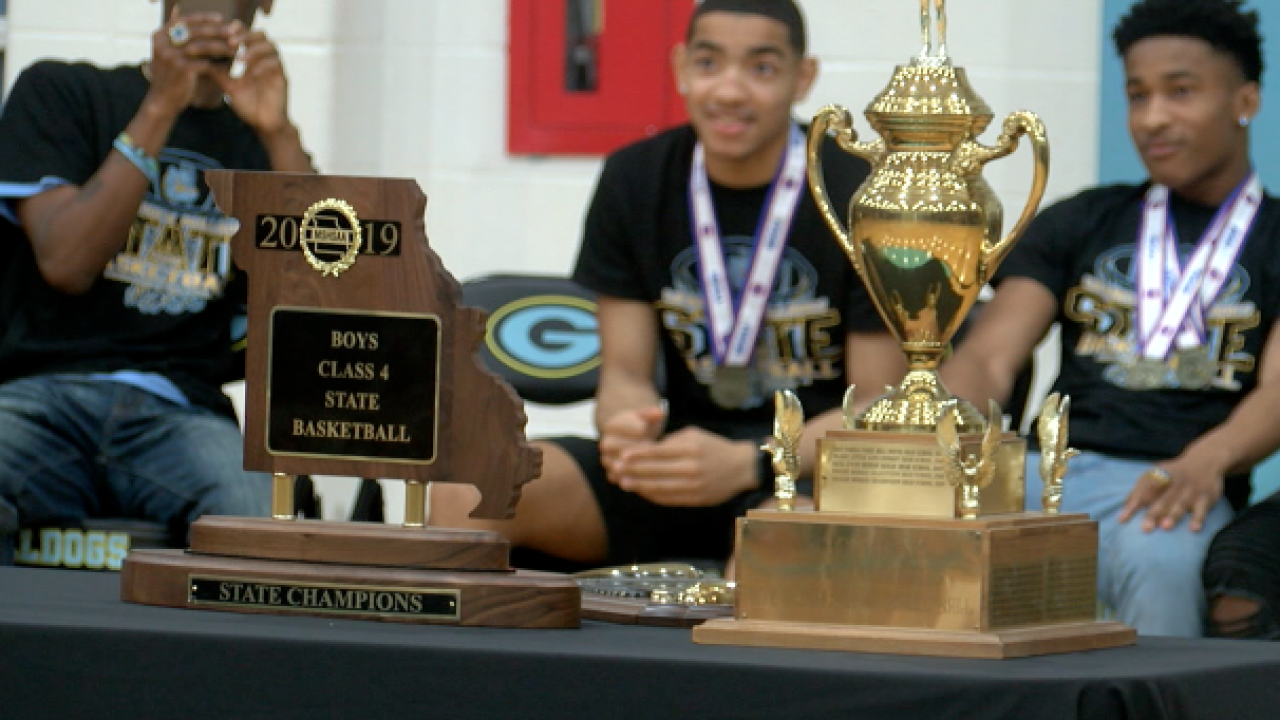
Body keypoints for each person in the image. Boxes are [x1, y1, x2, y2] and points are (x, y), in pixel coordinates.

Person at [430, 0, 904, 572]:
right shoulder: (637, 177)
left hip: (802, 477)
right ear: (681, 68)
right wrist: (627, 430)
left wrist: (753, 463)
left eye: (760, 69)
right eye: (709, 64)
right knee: (465, 492)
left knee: (778, 552)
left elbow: (879, 410)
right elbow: (625, 377)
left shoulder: (861, 192)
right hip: (674, 466)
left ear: (803, 78)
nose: (729, 91)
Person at [941, 0, 1278, 637]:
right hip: (1050, 470)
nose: (1153, 119)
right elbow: (992, 353)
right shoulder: (1083, 217)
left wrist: (1210, 459)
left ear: (1246, 100)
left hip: (1174, 484)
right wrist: (947, 429)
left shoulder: (1276, 237)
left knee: (1165, 565)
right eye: (1137, 95)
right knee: (915, 528)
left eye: (1181, 92)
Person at [0, 0, 314, 563]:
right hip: (41, 395)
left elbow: (317, 303)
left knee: (260, 513)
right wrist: (160, 108)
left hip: (182, 415)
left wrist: (280, 135)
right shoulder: (62, 92)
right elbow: (67, 262)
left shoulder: (258, 146)